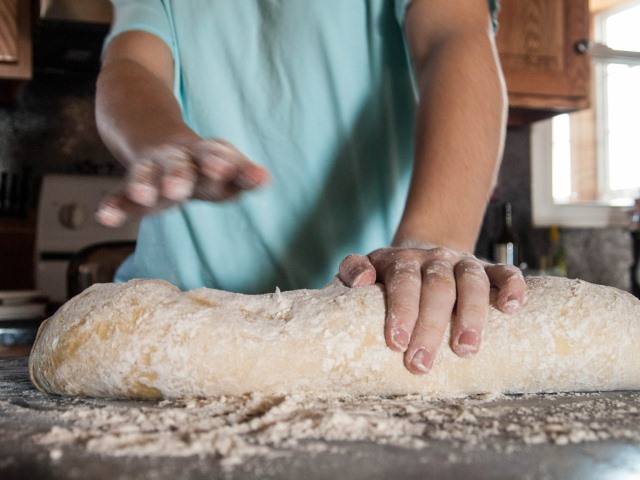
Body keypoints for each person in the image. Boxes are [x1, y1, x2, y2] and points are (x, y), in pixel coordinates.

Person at [95, 0, 526, 376]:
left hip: (370, 317)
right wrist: (166, 140)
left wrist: (431, 246)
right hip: (171, 324)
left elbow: (452, 37)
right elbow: (132, 64)